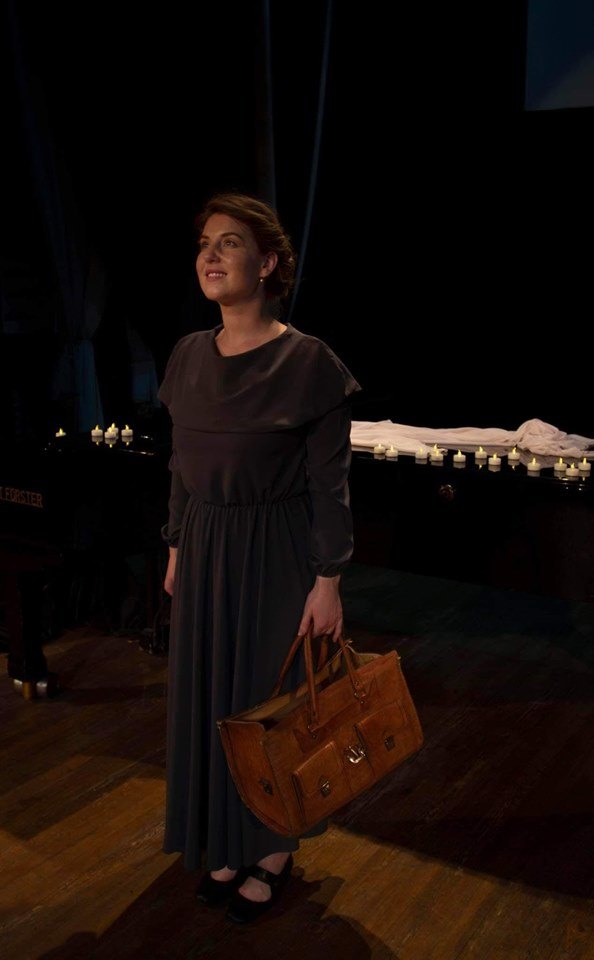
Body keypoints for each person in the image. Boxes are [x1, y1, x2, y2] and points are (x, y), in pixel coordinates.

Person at [158, 192, 362, 924]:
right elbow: (181, 465)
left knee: (266, 705)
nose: (210, 255)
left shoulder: (308, 361)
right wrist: (176, 543)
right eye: (204, 243)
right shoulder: (188, 353)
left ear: (268, 262)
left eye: (231, 243)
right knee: (210, 698)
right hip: (206, 545)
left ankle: (272, 850)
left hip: (276, 552)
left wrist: (328, 578)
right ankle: (222, 836)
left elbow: (330, 484)